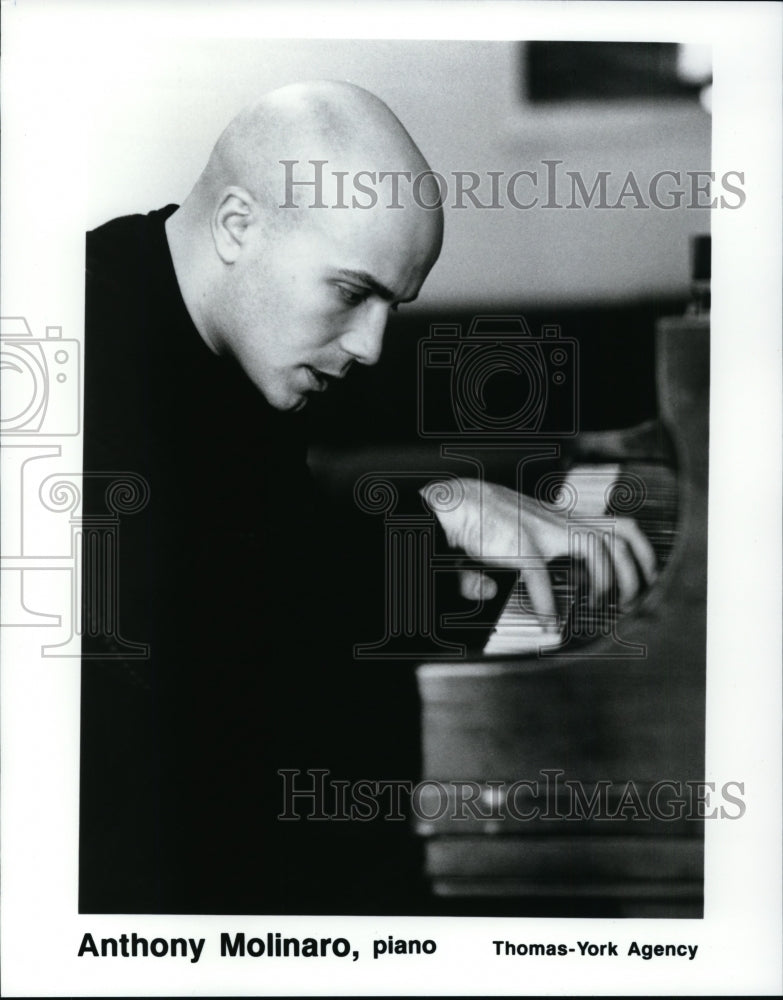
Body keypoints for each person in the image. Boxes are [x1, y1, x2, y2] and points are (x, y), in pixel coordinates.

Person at [80, 80, 654, 915]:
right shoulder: (73, 353)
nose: (373, 345)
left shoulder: (236, 340)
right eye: (351, 292)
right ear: (238, 226)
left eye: (394, 304)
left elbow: (277, 566)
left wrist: (445, 509)